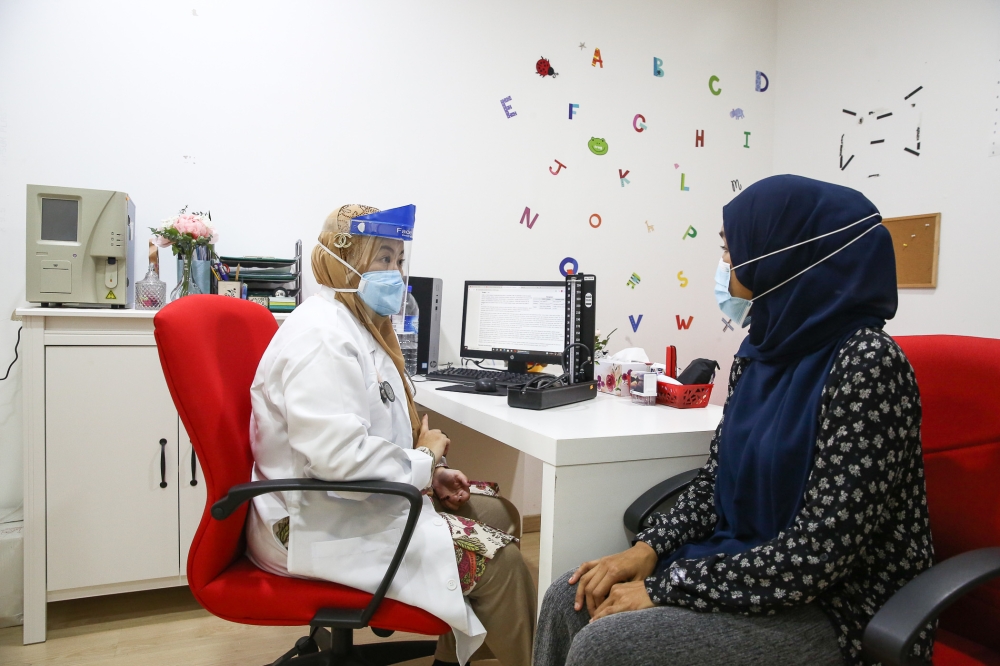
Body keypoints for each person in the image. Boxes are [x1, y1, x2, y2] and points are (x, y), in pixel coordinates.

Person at [533, 175, 934, 666]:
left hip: (838, 607)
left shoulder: (869, 364)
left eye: (732, 250)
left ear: (784, 256)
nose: (725, 265)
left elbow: (817, 557)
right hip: (743, 566)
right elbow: (715, 482)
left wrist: (667, 587)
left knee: (606, 645)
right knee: (565, 599)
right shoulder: (760, 353)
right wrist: (649, 549)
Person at [245, 204, 536, 666]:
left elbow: (369, 431)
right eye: (382, 258)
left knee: (499, 514)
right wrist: (422, 459)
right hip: (310, 521)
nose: (395, 274)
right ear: (342, 261)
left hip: (349, 499)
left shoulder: (356, 326)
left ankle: (449, 656)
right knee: (504, 568)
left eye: (399, 261)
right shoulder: (323, 337)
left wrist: (428, 473)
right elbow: (338, 460)